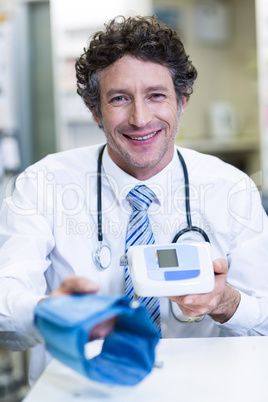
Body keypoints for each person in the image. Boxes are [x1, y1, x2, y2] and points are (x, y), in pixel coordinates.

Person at [0, 15, 268, 385]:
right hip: (79, 389)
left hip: (193, 389)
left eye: (156, 95)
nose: (140, 119)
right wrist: (48, 311)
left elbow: (265, 325)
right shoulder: (42, 184)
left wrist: (226, 303)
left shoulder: (231, 189)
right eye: (120, 99)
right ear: (96, 111)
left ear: (182, 102)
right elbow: (4, 309)